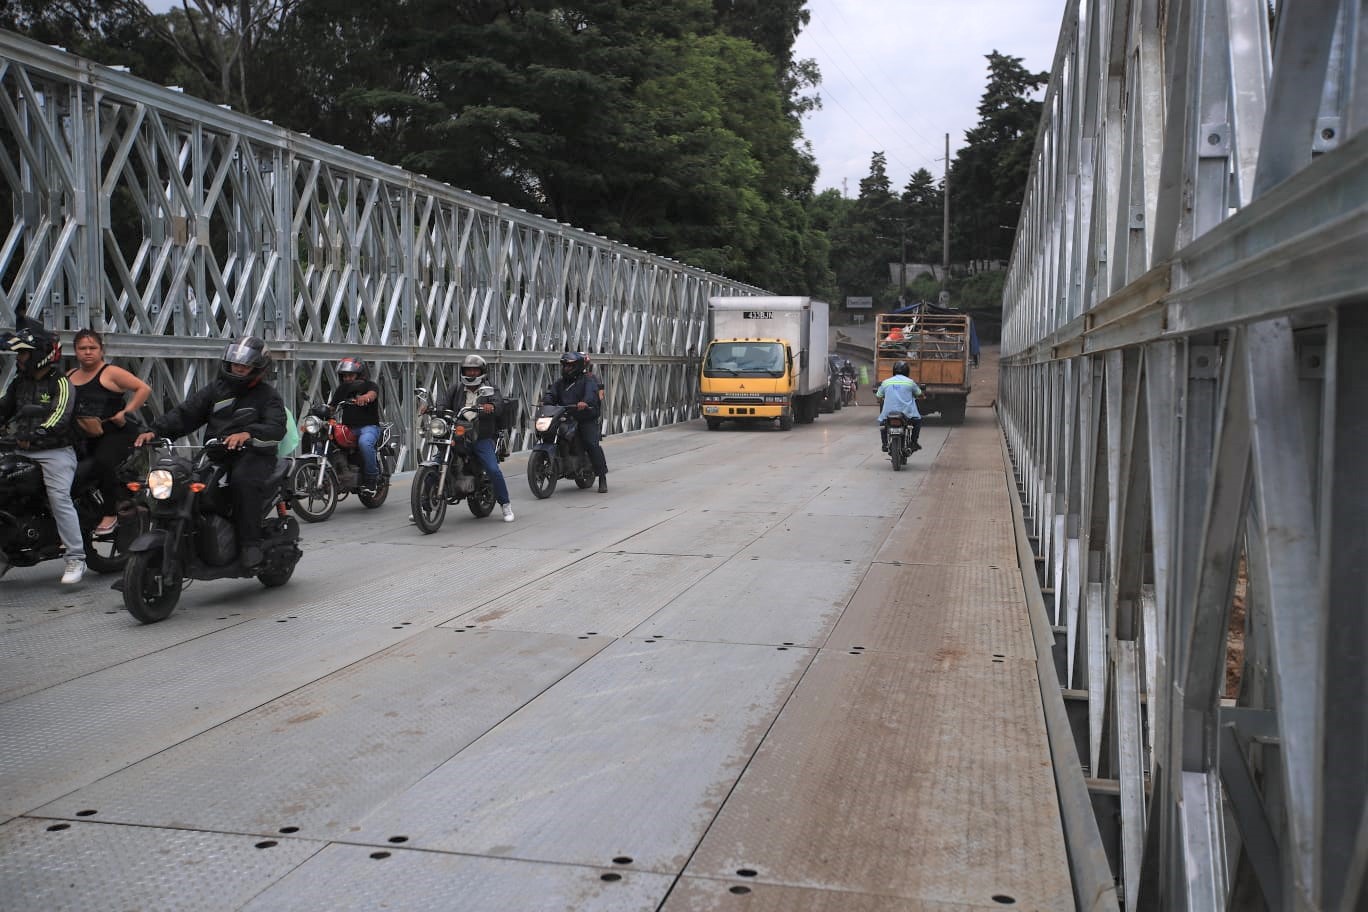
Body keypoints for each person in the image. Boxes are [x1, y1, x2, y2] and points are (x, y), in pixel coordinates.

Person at [134, 336, 286, 569]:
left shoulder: (267, 396)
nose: (239, 367)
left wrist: (248, 434)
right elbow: (186, 413)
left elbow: (276, 427)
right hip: (215, 453)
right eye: (236, 363)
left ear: (258, 367)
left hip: (253, 455)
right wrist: (154, 431)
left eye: (245, 365)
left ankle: (250, 543)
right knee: (182, 481)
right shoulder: (216, 390)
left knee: (243, 482)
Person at [0, 320, 85, 583]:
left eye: (24, 353)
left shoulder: (60, 382)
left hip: (54, 452)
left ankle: (75, 557)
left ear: (39, 354)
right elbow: (4, 408)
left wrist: (39, 432)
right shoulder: (19, 383)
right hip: (20, 450)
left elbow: (60, 415)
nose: (20, 358)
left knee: (59, 497)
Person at [67, 329, 152, 534]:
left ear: (101, 350)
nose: (88, 352)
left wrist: (127, 411)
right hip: (84, 435)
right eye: (83, 348)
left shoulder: (111, 372)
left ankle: (110, 513)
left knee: (102, 461)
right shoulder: (69, 376)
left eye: (92, 348)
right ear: (75, 351)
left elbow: (143, 389)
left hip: (115, 432)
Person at [441, 354, 515, 522]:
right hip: (459, 434)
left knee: (493, 470)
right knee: (439, 459)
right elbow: (443, 404)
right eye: (468, 370)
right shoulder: (456, 388)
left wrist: (491, 406)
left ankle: (505, 505)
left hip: (481, 436)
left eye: (475, 370)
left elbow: (498, 404)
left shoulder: (490, 388)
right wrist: (432, 409)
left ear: (481, 372)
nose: (471, 373)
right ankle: (422, 506)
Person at [544, 351, 608, 492]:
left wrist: (584, 402)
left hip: (585, 417)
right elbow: (551, 394)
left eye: (569, 365)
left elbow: (591, 393)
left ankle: (602, 477)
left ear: (577, 366)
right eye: (565, 365)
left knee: (591, 443)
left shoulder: (588, 380)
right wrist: (546, 401)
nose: (566, 368)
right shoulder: (560, 383)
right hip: (566, 416)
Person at [329, 357, 381, 493]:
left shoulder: (370, 385)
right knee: (326, 439)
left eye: (350, 375)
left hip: (368, 427)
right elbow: (332, 407)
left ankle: (371, 479)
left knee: (364, 443)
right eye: (344, 376)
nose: (347, 378)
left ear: (360, 375)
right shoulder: (342, 389)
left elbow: (373, 394)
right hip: (348, 429)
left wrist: (365, 398)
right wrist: (320, 411)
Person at [875, 360, 924, 453]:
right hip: (907, 414)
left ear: (894, 370)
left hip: (888, 414)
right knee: (918, 421)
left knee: (883, 424)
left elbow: (878, 396)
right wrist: (922, 396)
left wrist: (880, 400)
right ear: (907, 371)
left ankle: (885, 444)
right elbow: (919, 394)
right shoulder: (910, 382)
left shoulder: (886, 382)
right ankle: (913, 442)